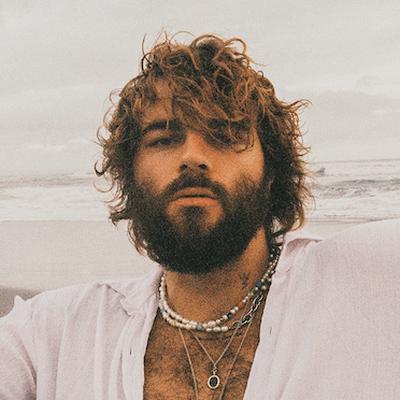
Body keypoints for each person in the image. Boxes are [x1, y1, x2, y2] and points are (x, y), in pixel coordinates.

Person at [0, 34, 399, 400]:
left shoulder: (371, 276)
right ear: (129, 175)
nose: (192, 156)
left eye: (224, 135)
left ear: (272, 172)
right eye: (163, 138)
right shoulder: (53, 333)